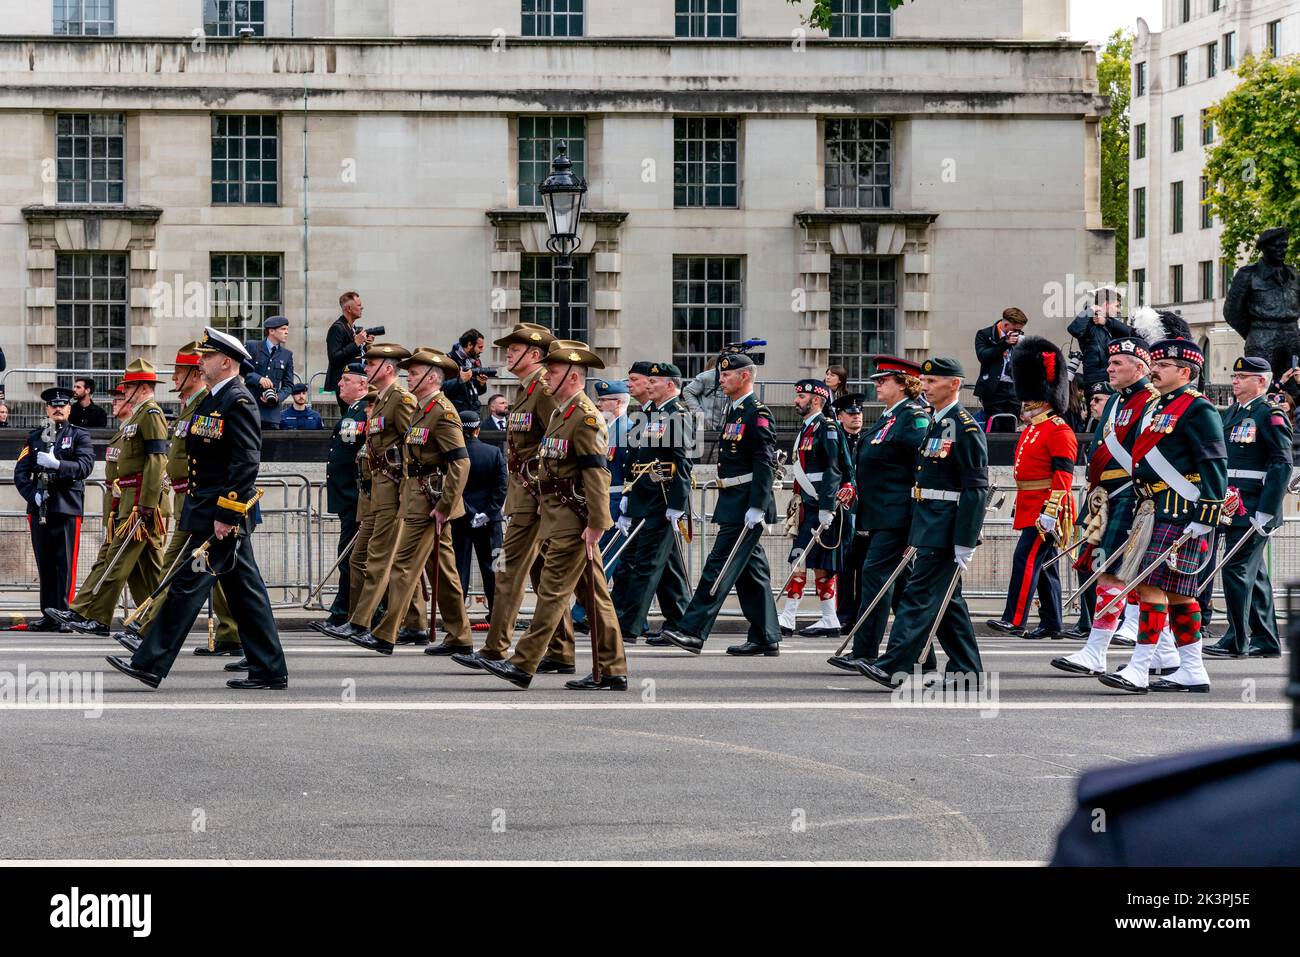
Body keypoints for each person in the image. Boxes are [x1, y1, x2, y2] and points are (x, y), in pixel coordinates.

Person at [105, 327, 289, 690]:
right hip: (206, 510)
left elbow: (245, 462)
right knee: (244, 592)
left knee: (187, 587)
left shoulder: (238, 400)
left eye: (206, 357)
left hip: (221, 516)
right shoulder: (210, 400)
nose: (201, 362)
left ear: (226, 362)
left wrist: (226, 514)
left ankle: (150, 663)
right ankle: (269, 668)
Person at [476, 339, 628, 690]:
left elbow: (597, 474)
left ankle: (522, 662)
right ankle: (612, 667)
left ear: (573, 378)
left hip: (574, 522)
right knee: (595, 596)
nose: (547, 378)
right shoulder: (563, 413)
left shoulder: (585, 417)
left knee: (552, 591)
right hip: (559, 518)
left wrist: (596, 524)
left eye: (555, 372)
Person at [1099, 337, 1227, 694]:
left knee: (1151, 586)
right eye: (1153, 363)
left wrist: (1208, 512)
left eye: (1163, 365)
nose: (1153, 369)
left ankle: (1140, 667)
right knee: (1177, 595)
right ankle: (1192, 668)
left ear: (1185, 372)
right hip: (1155, 510)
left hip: (1182, 511)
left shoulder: (1198, 408)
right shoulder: (1159, 407)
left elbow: (1214, 462)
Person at [857, 357, 988, 689]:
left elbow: (975, 488)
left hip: (946, 526)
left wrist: (965, 540)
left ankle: (894, 665)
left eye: (933, 382)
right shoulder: (936, 422)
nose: (925, 388)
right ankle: (967, 671)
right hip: (929, 521)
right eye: (924, 382)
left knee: (918, 595)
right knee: (948, 603)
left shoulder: (964, 426)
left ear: (954, 384)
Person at [451, 323, 575, 673]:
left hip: (535, 501)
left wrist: (542, 493)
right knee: (540, 576)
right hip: (527, 500)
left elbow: (560, 444)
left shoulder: (544, 390)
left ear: (534, 354)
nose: (506, 353)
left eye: (513, 349)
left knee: (505, 570)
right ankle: (562, 651)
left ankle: (494, 649)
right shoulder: (527, 390)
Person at [344, 348, 472, 656]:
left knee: (402, 566)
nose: (408, 377)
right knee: (445, 572)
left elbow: (460, 461)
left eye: (414, 373)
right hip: (416, 497)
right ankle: (460, 636)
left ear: (431, 377)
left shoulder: (442, 410)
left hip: (430, 501)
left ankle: (385, 634)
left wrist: (444, 506)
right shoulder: (421, 409)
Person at [120, 343, 240, 658]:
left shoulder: (210, 403)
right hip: (190, 497)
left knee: (176, 566)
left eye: (180, 370)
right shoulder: (191, 406)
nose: (174, 377)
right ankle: (233, 633)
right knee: (217, 573)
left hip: (201, 500)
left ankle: (147, 631)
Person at [661, 352, 782, 657]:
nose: (721, 380)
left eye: (727, 375)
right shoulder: (735, 411)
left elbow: (765, 462)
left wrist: (758, 505)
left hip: (745, 505)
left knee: (719, 565)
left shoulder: (757, 412)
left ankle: (692, 630)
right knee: (751, 572)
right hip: (734, 500)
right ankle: (765, 635)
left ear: (745, 376)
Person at [47, 360, 168, 636]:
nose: (125, 391)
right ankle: (158, 623)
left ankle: (92, 614)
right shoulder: (138, 416)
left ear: (143, 386)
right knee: (144, 572)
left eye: (129, 386)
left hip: (139, 502)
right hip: (129, 500)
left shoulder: (150, 414)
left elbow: (156, 461)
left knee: (115, 560)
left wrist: (146, 504)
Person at [828, 361, 932, 671]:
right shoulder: (889, 418)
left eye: (884, 380)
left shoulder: (912, 418)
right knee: (900, 589)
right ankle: (921, 656)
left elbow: (923, 468)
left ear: (902, 383)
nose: (877, 384)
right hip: (880, 514)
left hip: (898, 516)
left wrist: (918, 518)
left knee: (875, 576)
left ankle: (866, 649)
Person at [323, 343, 430, 645]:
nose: (366, 367)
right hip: (377, 493)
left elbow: (417, 445)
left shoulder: (400, 399)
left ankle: (363, 623)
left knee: (381, 560)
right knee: (365, 558)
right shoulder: (381, 400)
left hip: (395, 493)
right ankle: (414, 624)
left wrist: (409, 489)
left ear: (387, 368)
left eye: (371, 363)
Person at [986, 337, 1078, 639]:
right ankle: (1052, 623)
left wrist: (1051, 511)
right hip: (1029, 502)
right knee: (1046, 566)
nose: (1024, 405)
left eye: (1029, 399)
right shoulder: (1036, 429)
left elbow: (1063, 476)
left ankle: (1014, 618)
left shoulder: (1059, 430)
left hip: (1046, 507)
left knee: (1025, 559)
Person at [1202, 357, 1291, 660]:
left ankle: (1236, 638)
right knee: (1255, 574)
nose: (1236, 381)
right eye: (1235, 375)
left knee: (1235, 569)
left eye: (1243, 376)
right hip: (1233, 504)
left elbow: (1282, 462)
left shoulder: (1270, 414)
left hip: (1255, 506)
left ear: (1262, 382)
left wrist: (1267, 510)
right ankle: (1265, 639)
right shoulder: (1232, 413)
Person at [614, 362, 693, 647]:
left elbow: (683, 462)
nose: (648, 386)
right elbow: (637, 460)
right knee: (666, 567)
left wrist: (677, 503)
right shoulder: (654, 413)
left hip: (662, 498)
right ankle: (679, 622)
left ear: (670, 385)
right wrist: (627, 495)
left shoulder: (678, 414)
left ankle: (628, 626)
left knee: (645, 564)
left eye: (654, 382)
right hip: (644, 496)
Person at [14, 387, 94, 631]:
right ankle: (48, 614)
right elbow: (21, 472)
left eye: (62, 405)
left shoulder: (80, 435)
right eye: (53, 406)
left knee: (65, 564)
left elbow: (84, 466)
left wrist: (58, 464)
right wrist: (33, 495)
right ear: (47, 410)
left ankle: (64, 614)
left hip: (67, 506)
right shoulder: (35, 437)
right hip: (40, 508)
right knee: (45, 563)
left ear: (69, 409)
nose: (58, 409)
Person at [777, 379, 846, 638]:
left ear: (816, 400)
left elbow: (833, 469)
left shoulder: (825, 427)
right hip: (806, 503)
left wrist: (827, 506)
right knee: (804, 559)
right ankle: (817, 617)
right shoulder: (807, 428)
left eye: (801, 397)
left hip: (819, 504)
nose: (796, 400)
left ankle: (802, 616)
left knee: (811, 561)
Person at [572, 377, 630, 633]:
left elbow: (629, 469)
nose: (598, 404)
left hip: (617, 500)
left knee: (604, 560)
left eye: (604, 400)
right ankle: (627, 616)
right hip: (604, 497)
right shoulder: (605, 428)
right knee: (615, 563)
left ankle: (579, 613)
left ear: (618, 403)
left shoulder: (628, 430)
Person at [317, 362, 370, 629]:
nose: (339, 384)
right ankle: (346, 612)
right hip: (347, 496)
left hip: (357, 497)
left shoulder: (367, 411)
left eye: (345, 380)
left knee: (351, 558)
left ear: (362, 384)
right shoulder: (353, 411)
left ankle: (343, 612)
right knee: (349, 557)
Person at [1224, 227, 1300, 400]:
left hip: (1292, 336)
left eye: (1284, 246)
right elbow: (1231, 311)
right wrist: (1253, 333)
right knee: (1258, 387)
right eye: (1276, 247)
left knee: (1295, 389)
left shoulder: (1293, 274)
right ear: (1264, 248)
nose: (1282, 251)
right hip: (1261, 336)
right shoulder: (1248, 274)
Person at [452, 410, 506, 624]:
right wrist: (487, 513)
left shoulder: (455, 454)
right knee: (495, 569)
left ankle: (457, 618)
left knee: (459, 570)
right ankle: (497, 614)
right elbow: (501, 487)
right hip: (490, 522)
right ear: (478, 429)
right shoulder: (493, 452)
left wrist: (470, 511)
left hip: (461, 518)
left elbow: (453, 488)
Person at [830, 392, 866, 632]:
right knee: (844, 567)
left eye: (859, 413)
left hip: (863, 510)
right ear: (840, 416)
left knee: (864, 566)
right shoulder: (835, 439)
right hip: (843, 510)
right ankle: (843, 614)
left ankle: (862, 612)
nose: (856, 418)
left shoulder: (868, 439)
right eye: (851, 414)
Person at [973, 307, 1028, 432]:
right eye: (1015, 329)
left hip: (1014, 387)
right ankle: (994, 451)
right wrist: (1004, 343)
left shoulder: (1019, 337)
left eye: (1020, 331)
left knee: (1011, 424)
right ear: (1006, 324)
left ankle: (1009, 451)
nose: (1017, 333)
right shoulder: (985, 334)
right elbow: (983, 356)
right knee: (995, 425)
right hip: (994, 387)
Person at [1067, 286, 1132, 388]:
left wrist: (1107, 321)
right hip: (1095, 379)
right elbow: (1074, 329)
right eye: (1117, 306)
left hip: (1113, 377)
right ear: (1106, 304)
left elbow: (1130, 332)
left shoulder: (1110, 323)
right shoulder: (1088, 321)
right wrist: (1090, 310)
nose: (1119, 310)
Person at [243, 315, 295, 429]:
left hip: (271, 414)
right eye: (283, 329)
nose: (286, 332)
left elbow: (289, 385)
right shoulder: (252, 346)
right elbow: (240, 370)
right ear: (271, 331)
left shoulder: (287, 355)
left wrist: (277, 398)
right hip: (249, 408)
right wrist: (259, 379)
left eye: (287, 329)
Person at [325, 291, 373, 411]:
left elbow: (356, 355)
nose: (362, 307)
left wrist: (365, 345)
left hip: (357, 382)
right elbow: (334, 358)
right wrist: (356, 343)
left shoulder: (352, 328)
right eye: (358, 305)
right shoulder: (337, 328)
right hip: (345, 383)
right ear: (349, 309)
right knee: (350, 416)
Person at [442, 328, 488, 416]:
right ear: (469, 344)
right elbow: (440, 388)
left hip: (474, 413)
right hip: (455, 415)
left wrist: (481, 384)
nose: (482, 350)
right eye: (480, 347)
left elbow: (477, 392)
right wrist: (460, 381)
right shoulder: (448, 361)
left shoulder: (475, 361)